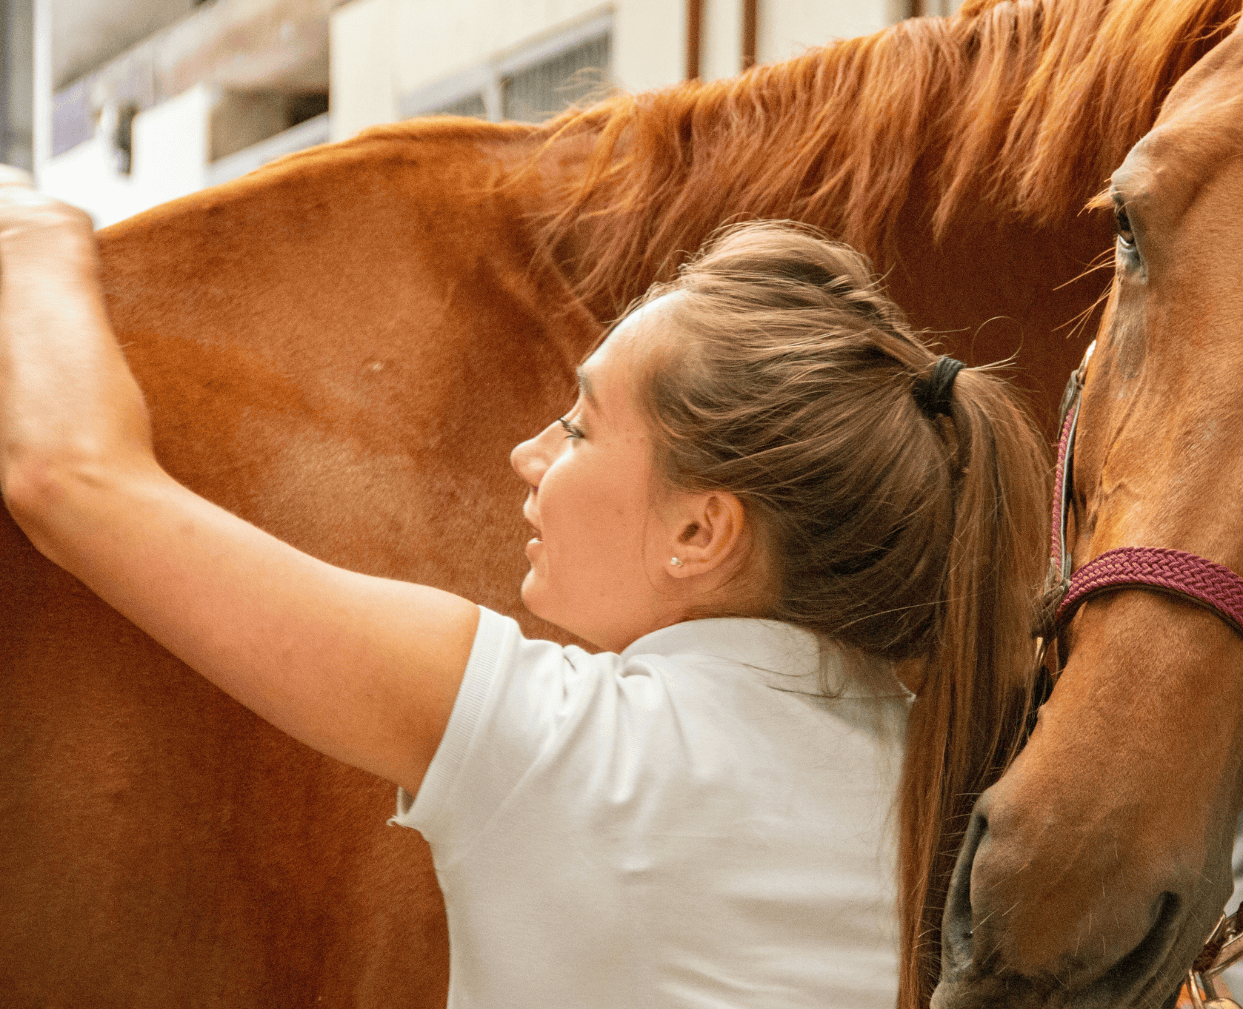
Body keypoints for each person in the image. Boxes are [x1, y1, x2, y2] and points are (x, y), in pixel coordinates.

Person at [0, 171, 1051, 1009]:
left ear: (701, 530)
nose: (527, 453)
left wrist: (31, 232)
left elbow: (75, 480)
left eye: (582, 426)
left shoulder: (550, 743)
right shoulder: (974, 787)